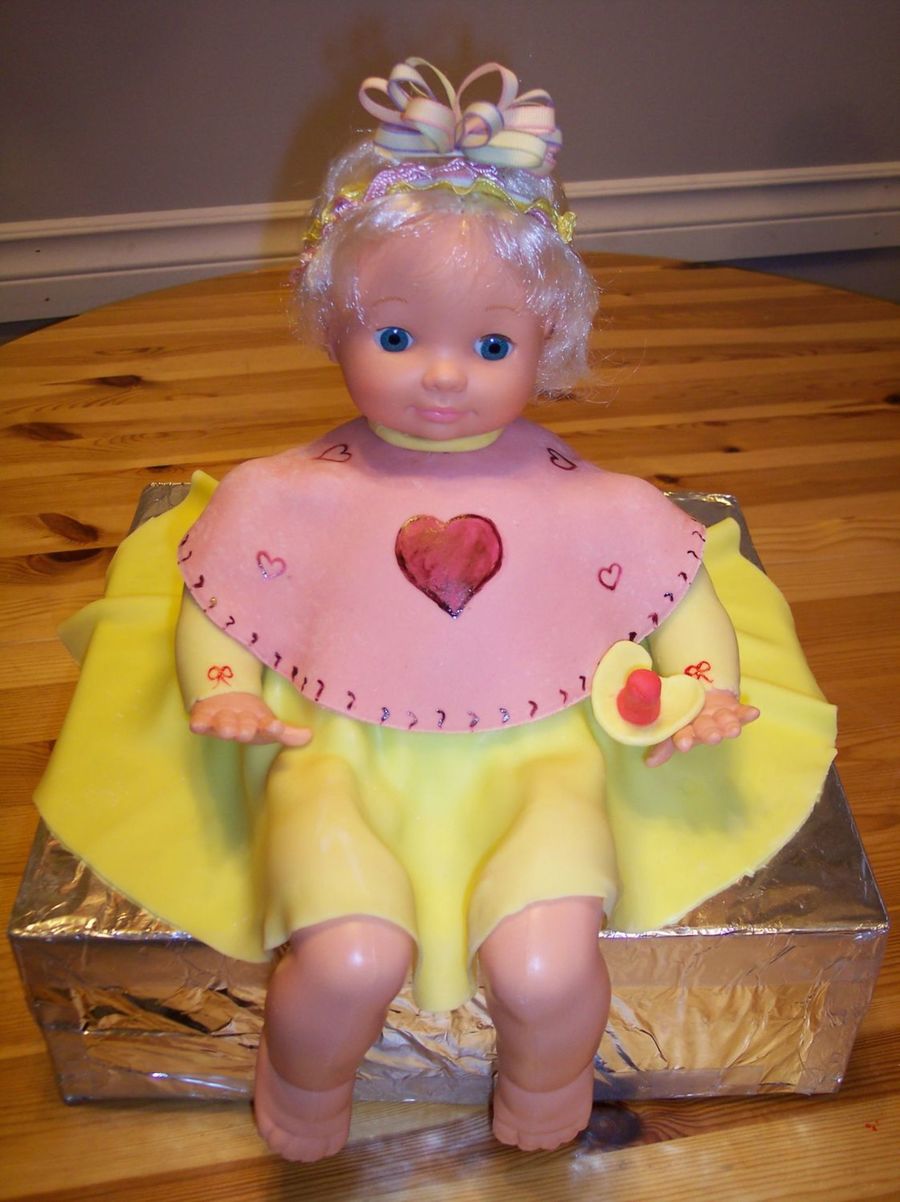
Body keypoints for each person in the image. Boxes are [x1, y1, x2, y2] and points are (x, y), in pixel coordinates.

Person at [172, 59, 758, 1160]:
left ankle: (550, 1081)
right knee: (347, 958)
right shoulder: (289, 494)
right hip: (338, 755)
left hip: (537, 759)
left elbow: (679, 594)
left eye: (491, 345)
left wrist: (702, 689)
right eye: (397, 337)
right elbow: (223, 601)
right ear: (335, 323)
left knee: (547, 964)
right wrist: (223, 688)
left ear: (547, 341)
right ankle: (302, 1085)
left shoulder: (588, 500)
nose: (443, 377)